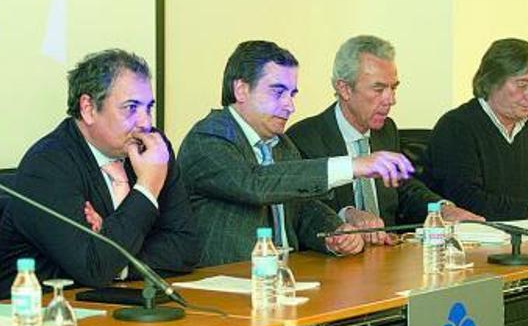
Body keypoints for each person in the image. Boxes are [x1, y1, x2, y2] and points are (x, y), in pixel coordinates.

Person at [177, 40, 414, 266]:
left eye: (292, 94)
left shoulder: (282, 144)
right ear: (241, 90)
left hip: (286, 280)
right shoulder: (208, 139)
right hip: (227, 288)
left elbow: (302, 208)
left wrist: (336, 231)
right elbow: (256, 184)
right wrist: (352, 166)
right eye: (277, 92)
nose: (289, 106)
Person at [0, 49, 198, 292]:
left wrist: (116, 257)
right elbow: (95, 267)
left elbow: (186, 247)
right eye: (131, 108)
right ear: (88, 108)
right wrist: (147, 188)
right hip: (42, 314)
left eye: (148, 108)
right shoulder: (47, 165)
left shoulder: (152, 149)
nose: (145, 123)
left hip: (119, 301)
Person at [287, 35, 481, 244]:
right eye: (378, 89)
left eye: (393, 88)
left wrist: (442, 209)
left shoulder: (387, 130)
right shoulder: (304, 138)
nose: (391, 100)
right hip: (334, 262)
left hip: (387, 255)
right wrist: (347, 215)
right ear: (344, 89)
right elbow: (303, 209)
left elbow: (404, 189)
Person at [424, 38, 528, 221]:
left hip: (521, 235)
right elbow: (466, 200)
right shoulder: (457, 126)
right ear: (492, 81)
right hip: (466, 241)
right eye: (522, 85)